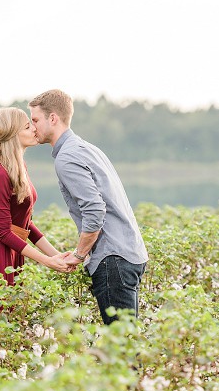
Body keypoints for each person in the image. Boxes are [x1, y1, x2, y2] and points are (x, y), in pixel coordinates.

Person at [28, 89, 149, 324]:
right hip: (129, 253)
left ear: (53, 118)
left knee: (121, 350)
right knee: (125, 345)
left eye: (35, 120)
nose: (33, 127)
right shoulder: (87, 148)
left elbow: (94, 211)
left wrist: (79, 254)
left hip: (112, 258)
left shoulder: (67, 158)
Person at [0, 107, 72, 289]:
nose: (34, 129)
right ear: (12, 134)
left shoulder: (18, 168)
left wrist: (56, 256)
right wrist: (46, 261)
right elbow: (3, 231)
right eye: (27, 127)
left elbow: (26, 224)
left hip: (14, 253)